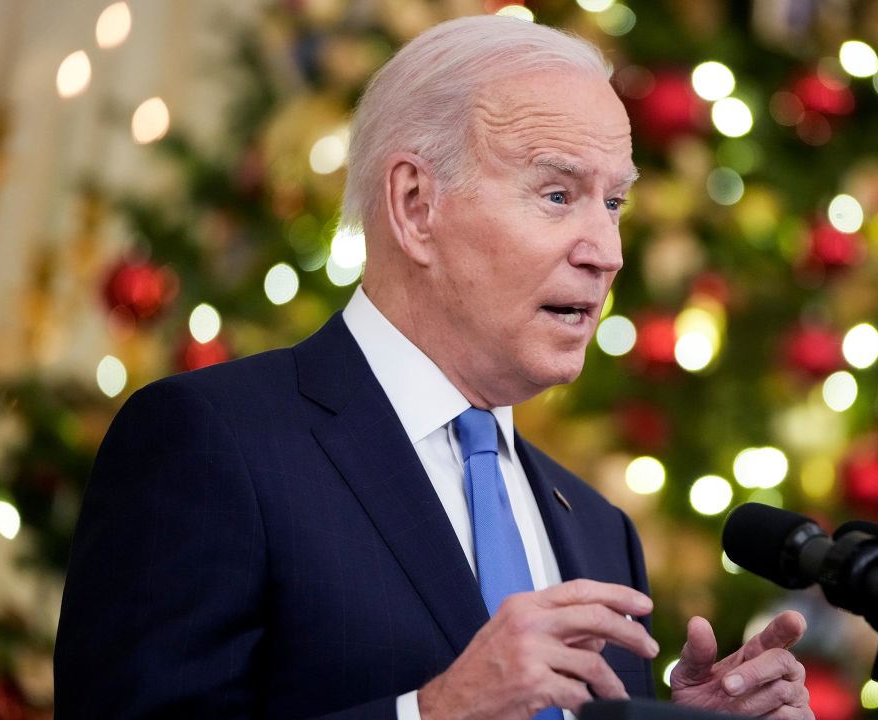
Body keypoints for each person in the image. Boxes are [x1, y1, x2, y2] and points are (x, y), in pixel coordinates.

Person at [54, 14, 813, 720]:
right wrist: (434, 711)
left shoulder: (602, 531)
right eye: (558, 194)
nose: (606, 252)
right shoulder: (212, 442)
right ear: (416, 204)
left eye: (613, 203)